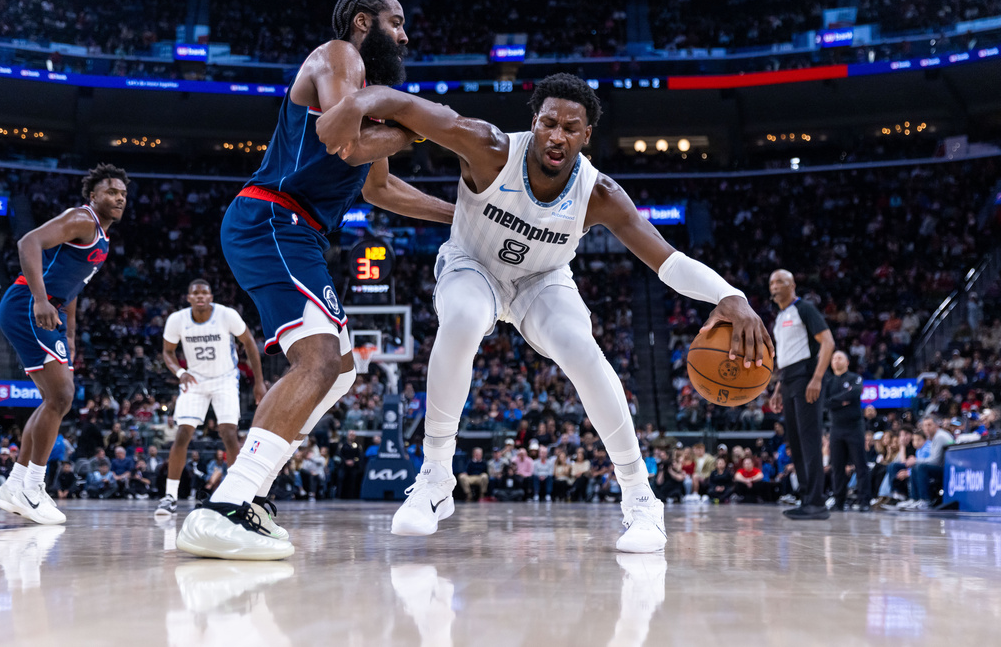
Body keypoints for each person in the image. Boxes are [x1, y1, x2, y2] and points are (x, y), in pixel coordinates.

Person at [318, 72, 770, 553]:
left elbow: (667, 261)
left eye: (570, 128)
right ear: (534, 121)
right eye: (549, 123)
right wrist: (361, 100)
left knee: (581, 349)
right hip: (472, 263)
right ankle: (435, 475)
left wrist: (731, 296)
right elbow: (410, 108)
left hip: (542, 279)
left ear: (586, 135)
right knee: (463, 318)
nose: (557, 136)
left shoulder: (599, 194)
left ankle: (641, 498)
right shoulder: (488, 148)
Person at [175, 0, 453, 560]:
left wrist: (461, 216)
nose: (405, 35)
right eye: (396, 22)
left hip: (294, 230)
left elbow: (379, 189)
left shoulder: (370, 98)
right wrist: (420, 124)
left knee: (342, 370)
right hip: (273, 218)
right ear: (362, 22)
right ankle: (226, 505)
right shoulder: (339, 55)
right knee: (319, 359)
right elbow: (339, 140)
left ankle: (252, 494)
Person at [0, 164, 127, 525]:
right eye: (111, 191)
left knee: (54, 399)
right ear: (93, 196)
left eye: (123, 194)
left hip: (50, 310)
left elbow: (73, 287)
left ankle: (15, 485)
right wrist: (39, 299)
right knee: (62, 396)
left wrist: (70, 334)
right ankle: (33, 487)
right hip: (29, 304)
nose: (118, 198)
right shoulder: (81, 218)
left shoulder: (102, 237)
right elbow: (28, 242)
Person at [154, 279, 267, 518]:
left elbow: (249, 343)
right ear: (189, 298)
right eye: (195, 293)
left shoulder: (227, 315)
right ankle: (170, 497)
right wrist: (180, 373)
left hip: (225, 379)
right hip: (194, 380)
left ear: (211, 297)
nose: (200, 296)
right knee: (182, 433)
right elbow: (167, 351)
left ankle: (235, 495)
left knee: (229, 433)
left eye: (204, 292)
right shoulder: (177, 320)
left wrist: (259, 382)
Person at [768, 269, 834, 520]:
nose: (774, 286)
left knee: (809, 440)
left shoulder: (804, 309)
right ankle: (807, 499)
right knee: (795, 442)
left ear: (792, 284)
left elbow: (828, 342)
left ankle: (817, 502)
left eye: (780, 281)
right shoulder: (779, 317)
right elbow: (785, 356)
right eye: (772, 282)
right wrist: (778, 387)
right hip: (787, 379)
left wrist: (817, 378)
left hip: (806, 377)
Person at [825, 351, 871, 511]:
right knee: (837, 466)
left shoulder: (854, 378)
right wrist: (843, 400)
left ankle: (864, 501)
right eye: (834, 358)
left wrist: (834, 400)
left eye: (840, 357)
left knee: (860, 464)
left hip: (854, 426)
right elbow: (824, 402)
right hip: (836, 428)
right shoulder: (828, 381)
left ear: (847, 362)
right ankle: (839, 501)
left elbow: (855, 392)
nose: (836, 360)